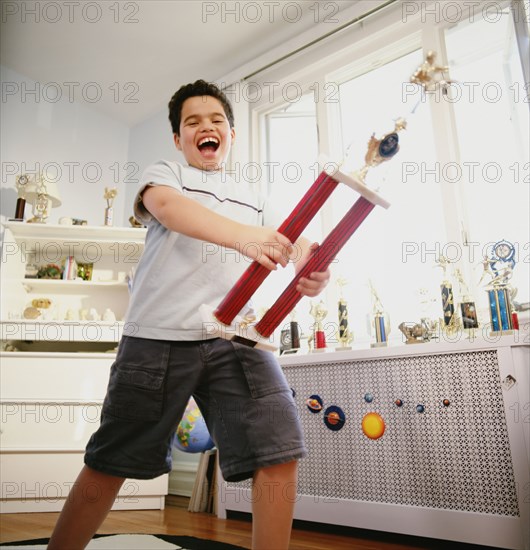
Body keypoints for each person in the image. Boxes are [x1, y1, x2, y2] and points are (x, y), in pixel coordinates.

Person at [47, 80, 330, 550]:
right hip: (157, 336)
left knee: (280, 447)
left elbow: (295, 243)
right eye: (192, 123)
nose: (206, 127)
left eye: (216, 120)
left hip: (238, 338)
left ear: (232, 134)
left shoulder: (256, 195)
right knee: (111, 458)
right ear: (179, 140)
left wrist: (314, 269)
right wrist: (245, 238)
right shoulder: (168, 174)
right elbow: (167, 208)